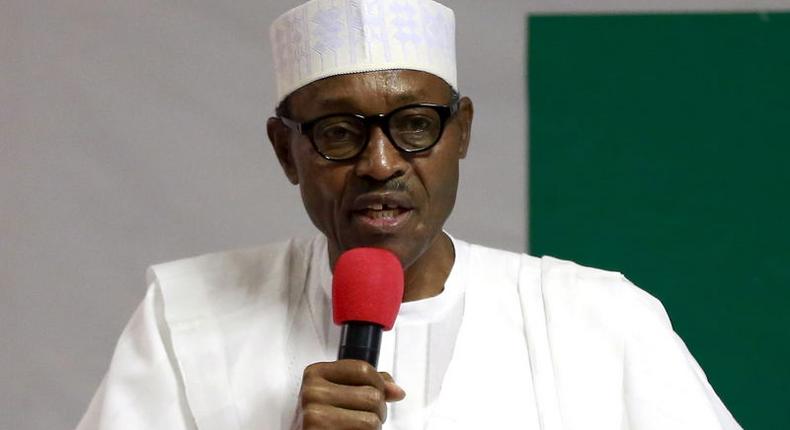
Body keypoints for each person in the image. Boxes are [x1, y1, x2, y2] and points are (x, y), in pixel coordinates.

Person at [77, 0, 742, 429]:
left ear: (462, 134)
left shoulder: (598, 320)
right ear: (287, 150)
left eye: (415, 126)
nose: (379, 163)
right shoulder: (188, 318)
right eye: (339, 131)